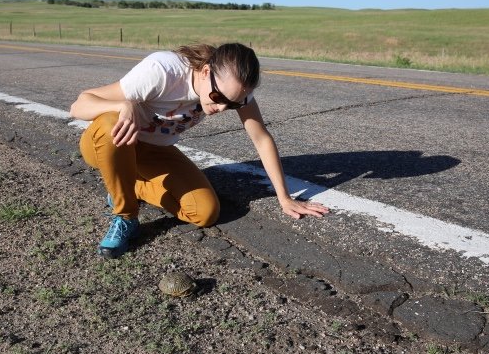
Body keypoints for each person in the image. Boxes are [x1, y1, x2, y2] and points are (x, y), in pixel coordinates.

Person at [70, 43, 329, 258]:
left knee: (204, 212)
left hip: (152, 153)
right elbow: (80, 104)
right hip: (108, 145)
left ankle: (127, 184)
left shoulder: (236, 93)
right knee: (110, 122)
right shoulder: (163, 70)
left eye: (233, 104)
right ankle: (125, 214)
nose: (222, 108)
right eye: (218, 98)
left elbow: (261, 138)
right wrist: (121, 105)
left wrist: (284, 198)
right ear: (206, 71)